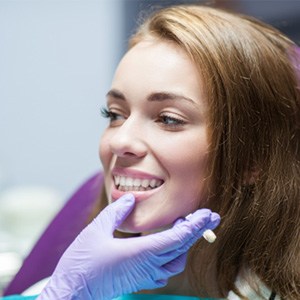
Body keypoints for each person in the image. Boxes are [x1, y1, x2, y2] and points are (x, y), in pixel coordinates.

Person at [2, 3, 300, 300]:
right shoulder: (65, 290)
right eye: (115, 114)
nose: (120, 142)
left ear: (252, 159)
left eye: (168, 119)